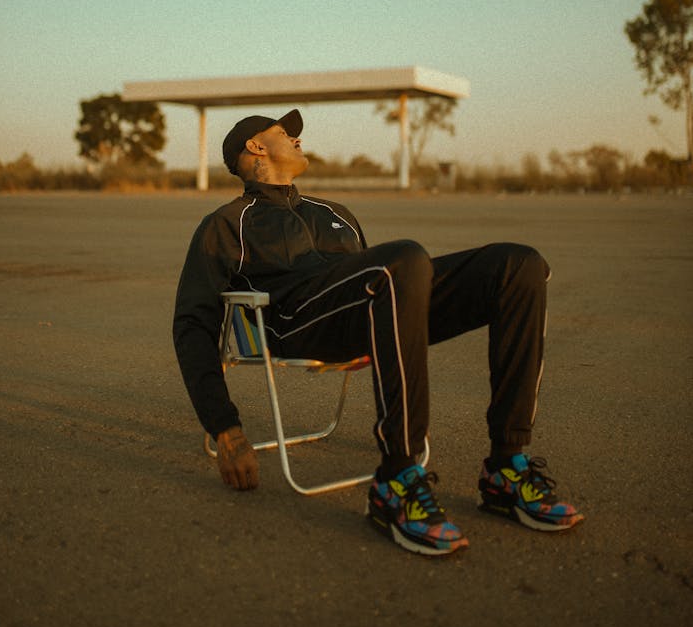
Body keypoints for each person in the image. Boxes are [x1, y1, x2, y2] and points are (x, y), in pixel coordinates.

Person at [173, 109, 583, 557]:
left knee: (518, 265)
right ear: (254, 146)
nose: (297, 138)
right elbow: (193, 323)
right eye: (283, 132)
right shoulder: (227, 223)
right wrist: (224, 427)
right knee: (404, 258)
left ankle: (506, 466)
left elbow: (372, 278)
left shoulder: (336, 214)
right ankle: (396, 480)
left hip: (366, 309)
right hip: (297, 325)